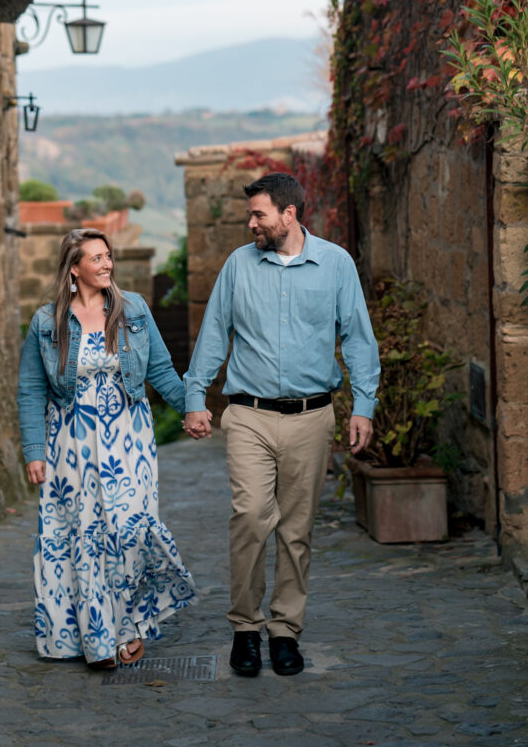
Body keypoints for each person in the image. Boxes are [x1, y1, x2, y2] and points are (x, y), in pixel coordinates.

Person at [183, 172, 380, 677]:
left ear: (289, 215)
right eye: (251, 215)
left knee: (296, 530)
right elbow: (213, 334)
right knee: (250, 516)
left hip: (312, 417)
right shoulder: (238, 266)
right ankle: (245, 629)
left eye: (259, 215)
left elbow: (358, 338)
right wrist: (195, 397)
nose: (251, 223)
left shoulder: (336, 265)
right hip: (248, 414)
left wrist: (364, 406)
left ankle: (285, 631)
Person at [17, 227, 199, 669]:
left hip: (129, 440)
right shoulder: (47, 322)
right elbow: (30, 389)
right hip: (70, 445)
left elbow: (160, 369)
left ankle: (130, 626)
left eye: (108, 256)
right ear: (74, 269)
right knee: (81, 537)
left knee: (132, 532)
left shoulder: (132, 308)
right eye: (95, 258)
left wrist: (192, 408)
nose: (106, 264)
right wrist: (34, 451)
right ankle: (99, 641)